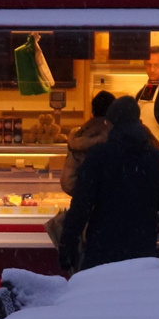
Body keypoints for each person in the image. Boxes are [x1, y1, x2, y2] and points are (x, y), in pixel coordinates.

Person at [56, 95, 159, 273]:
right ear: (138, 122)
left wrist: (68, 244)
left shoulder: (99, 156)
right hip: (142, 251)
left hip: (101, 251)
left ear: (111, 123)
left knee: (101, 298)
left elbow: (81, 206)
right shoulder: (155, 159)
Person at [43, 90, 114, 254]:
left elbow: (67, 181)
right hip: (116, 217)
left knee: (89, 266)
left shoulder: (80, 136)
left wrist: (85, 194)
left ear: (92, 111)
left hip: (86, 217)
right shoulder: (119, 136)